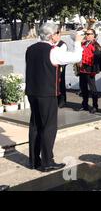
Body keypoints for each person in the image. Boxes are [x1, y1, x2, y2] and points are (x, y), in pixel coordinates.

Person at [25, 23, 83, 172]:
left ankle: (34, 161)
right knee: (49, 127)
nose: (59, 35)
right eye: (58, 32)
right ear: (51, 35)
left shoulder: (30, 49)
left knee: (35, 126)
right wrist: (77, 41)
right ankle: (47, 162)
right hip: (47, 93)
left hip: (32, 92)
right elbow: (77, 57)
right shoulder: (53, 51)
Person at [78, 29, 101, 114]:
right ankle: (85, 104)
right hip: (82, 69)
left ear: (93, 35)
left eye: (89, 34)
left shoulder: (95, 44)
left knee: (93, 89)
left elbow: (98, 55)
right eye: (86, 34)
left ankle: (95, 106)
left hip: (90, 69)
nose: (87, 35)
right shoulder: (83, 43)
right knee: (83, 87)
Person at [52, 30, 67, 108]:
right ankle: (55, 100)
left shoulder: (62, 45)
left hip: (60, 65)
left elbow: (60, 56)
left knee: (60, 83)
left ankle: (62, 100)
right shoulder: (52, 44)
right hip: (53, 65)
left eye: (57, 35)